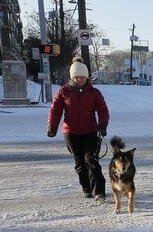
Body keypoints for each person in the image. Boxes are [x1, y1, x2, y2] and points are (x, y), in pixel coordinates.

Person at [47, 57, 110, 200]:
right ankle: (87, 188)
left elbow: (103, 110)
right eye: (76, 77)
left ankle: (99, 191)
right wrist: (52, 127)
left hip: (91, 132)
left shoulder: (94, 92)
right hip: (71, 133)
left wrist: (102, 126)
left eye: (82, 77)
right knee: (80, 163)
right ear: (72, 77)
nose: (79, 79)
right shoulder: (63, 91)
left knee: (91, 161)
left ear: (87, 77)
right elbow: (55, 110)